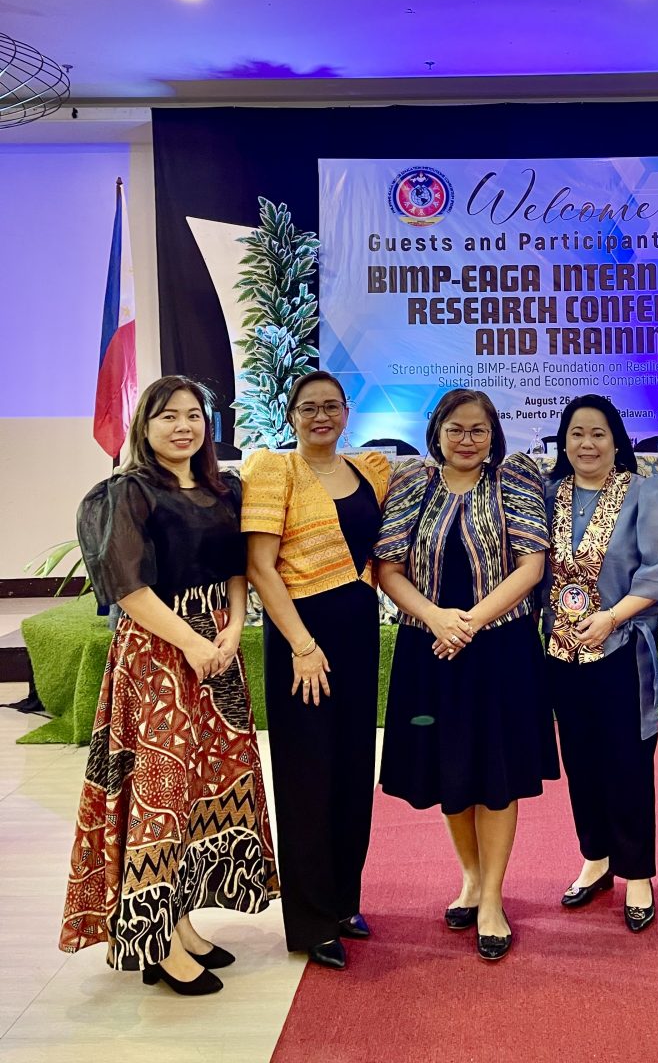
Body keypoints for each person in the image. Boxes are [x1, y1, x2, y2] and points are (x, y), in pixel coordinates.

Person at [60, 376, 278, 996]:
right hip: (158, 654)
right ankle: (155, 942)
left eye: (193, 415)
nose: (183, 426)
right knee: (159, 792)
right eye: (168, 416)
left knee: (202, 788)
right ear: (145, 426)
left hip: (216, 650)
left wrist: (232, 627)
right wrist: (192, 642)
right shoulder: (125, 493)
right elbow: (127, 588)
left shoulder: (223, 489)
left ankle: (179, 921)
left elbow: (237, 569)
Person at [375, 388, 557, 962]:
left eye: (478, 430)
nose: (466, 440)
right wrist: (436, 618)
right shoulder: (412, 483)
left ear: (493, 434)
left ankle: (494, 900)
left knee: (496, 774)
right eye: (455, 428)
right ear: (436, 431)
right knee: (449, 768)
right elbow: (388, 567)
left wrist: (468, 623)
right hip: (429, 648)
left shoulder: (514, 481)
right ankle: (472, 881)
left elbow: (532, 566)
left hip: (499, 650)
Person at [242, 370, 391, 970]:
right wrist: (303, 645)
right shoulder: (273, 470)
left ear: (347, 412)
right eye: (308, 407)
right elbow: (260, 566)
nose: (321, 416)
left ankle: (344, 901)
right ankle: (310, 920)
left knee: (353, 769)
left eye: (331, 406)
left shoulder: (370, 472)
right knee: (307, 775)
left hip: (357, 631)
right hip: (300, 636)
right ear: (291, 415)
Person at [543, 396, 658, 933]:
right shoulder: (549, 495)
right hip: (561, 651)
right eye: (576, 433)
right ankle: (596, 858)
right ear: (563, 442)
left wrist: (611, 618)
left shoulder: (647, 491)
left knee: (627, 763)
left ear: (616, 439)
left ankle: (637, 872)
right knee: (580, 760)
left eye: (598, 433)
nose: (587, 444)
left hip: (621, 646)